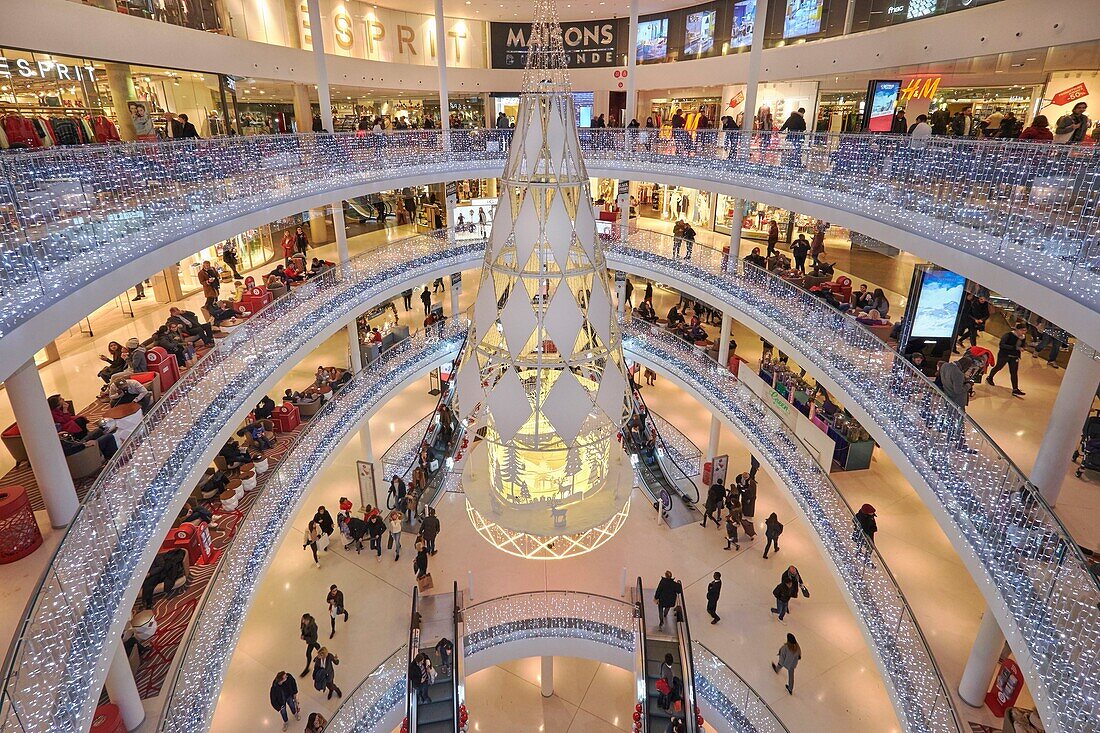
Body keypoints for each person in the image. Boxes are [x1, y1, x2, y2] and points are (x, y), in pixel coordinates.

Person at [986, 321, 1028, 396]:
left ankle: (1015, 389)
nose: (1024, 332)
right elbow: (1002, 345)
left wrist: (1023, 347)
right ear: (1017, 330)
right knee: (998, 367)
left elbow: (1022, 345)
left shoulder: (1023, 337)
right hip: (1004, 355)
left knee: (1014, 372)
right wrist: (1015, 348)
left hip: (1014, 356)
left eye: (1025, 330)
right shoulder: (1008, 335)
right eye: (1022, 330)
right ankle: (990, 377)